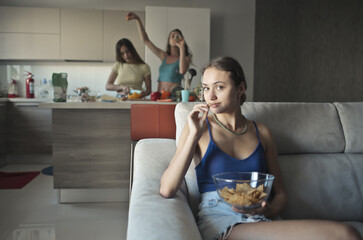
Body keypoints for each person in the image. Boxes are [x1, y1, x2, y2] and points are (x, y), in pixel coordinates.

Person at [159, 57, 361, 240]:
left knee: (347, 234)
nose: (210, 96)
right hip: (220, 221)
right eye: (205, 88)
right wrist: (194, 135)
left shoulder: (262, 132)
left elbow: (280, 194)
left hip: (259, 220)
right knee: (345, 234)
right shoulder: (198, 128)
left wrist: (267, 211)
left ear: (241, 88)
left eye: (219, 87)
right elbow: (167, 189)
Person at [126, 12, 192, 92]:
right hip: (160, 95)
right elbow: (146, 41)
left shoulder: (186, 58)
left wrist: (182, 47)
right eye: (172, 35)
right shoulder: (164, 56)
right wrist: (138, 19)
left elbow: (182, 71)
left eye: (177, 36)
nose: (174, 37)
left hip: (174, 96)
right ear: (168, 41)